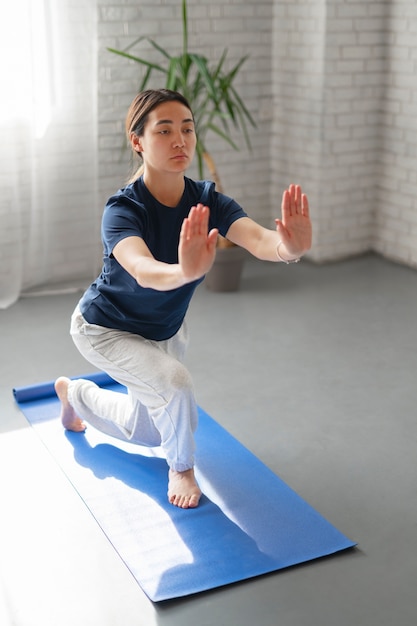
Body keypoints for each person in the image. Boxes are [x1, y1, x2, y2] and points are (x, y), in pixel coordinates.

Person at [55, 88, 312, 509]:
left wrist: (290, 248)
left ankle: (75, 395)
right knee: (176, 385)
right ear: (137, 141)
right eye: (165, 130)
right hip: (106, 329)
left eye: (188, 129)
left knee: (151, 429)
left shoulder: (206, 199)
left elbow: (259, 238)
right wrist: (183, 272)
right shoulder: (122, 209)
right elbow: (141, 268)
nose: (180, 140)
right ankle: (181, 468)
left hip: (162, 331)